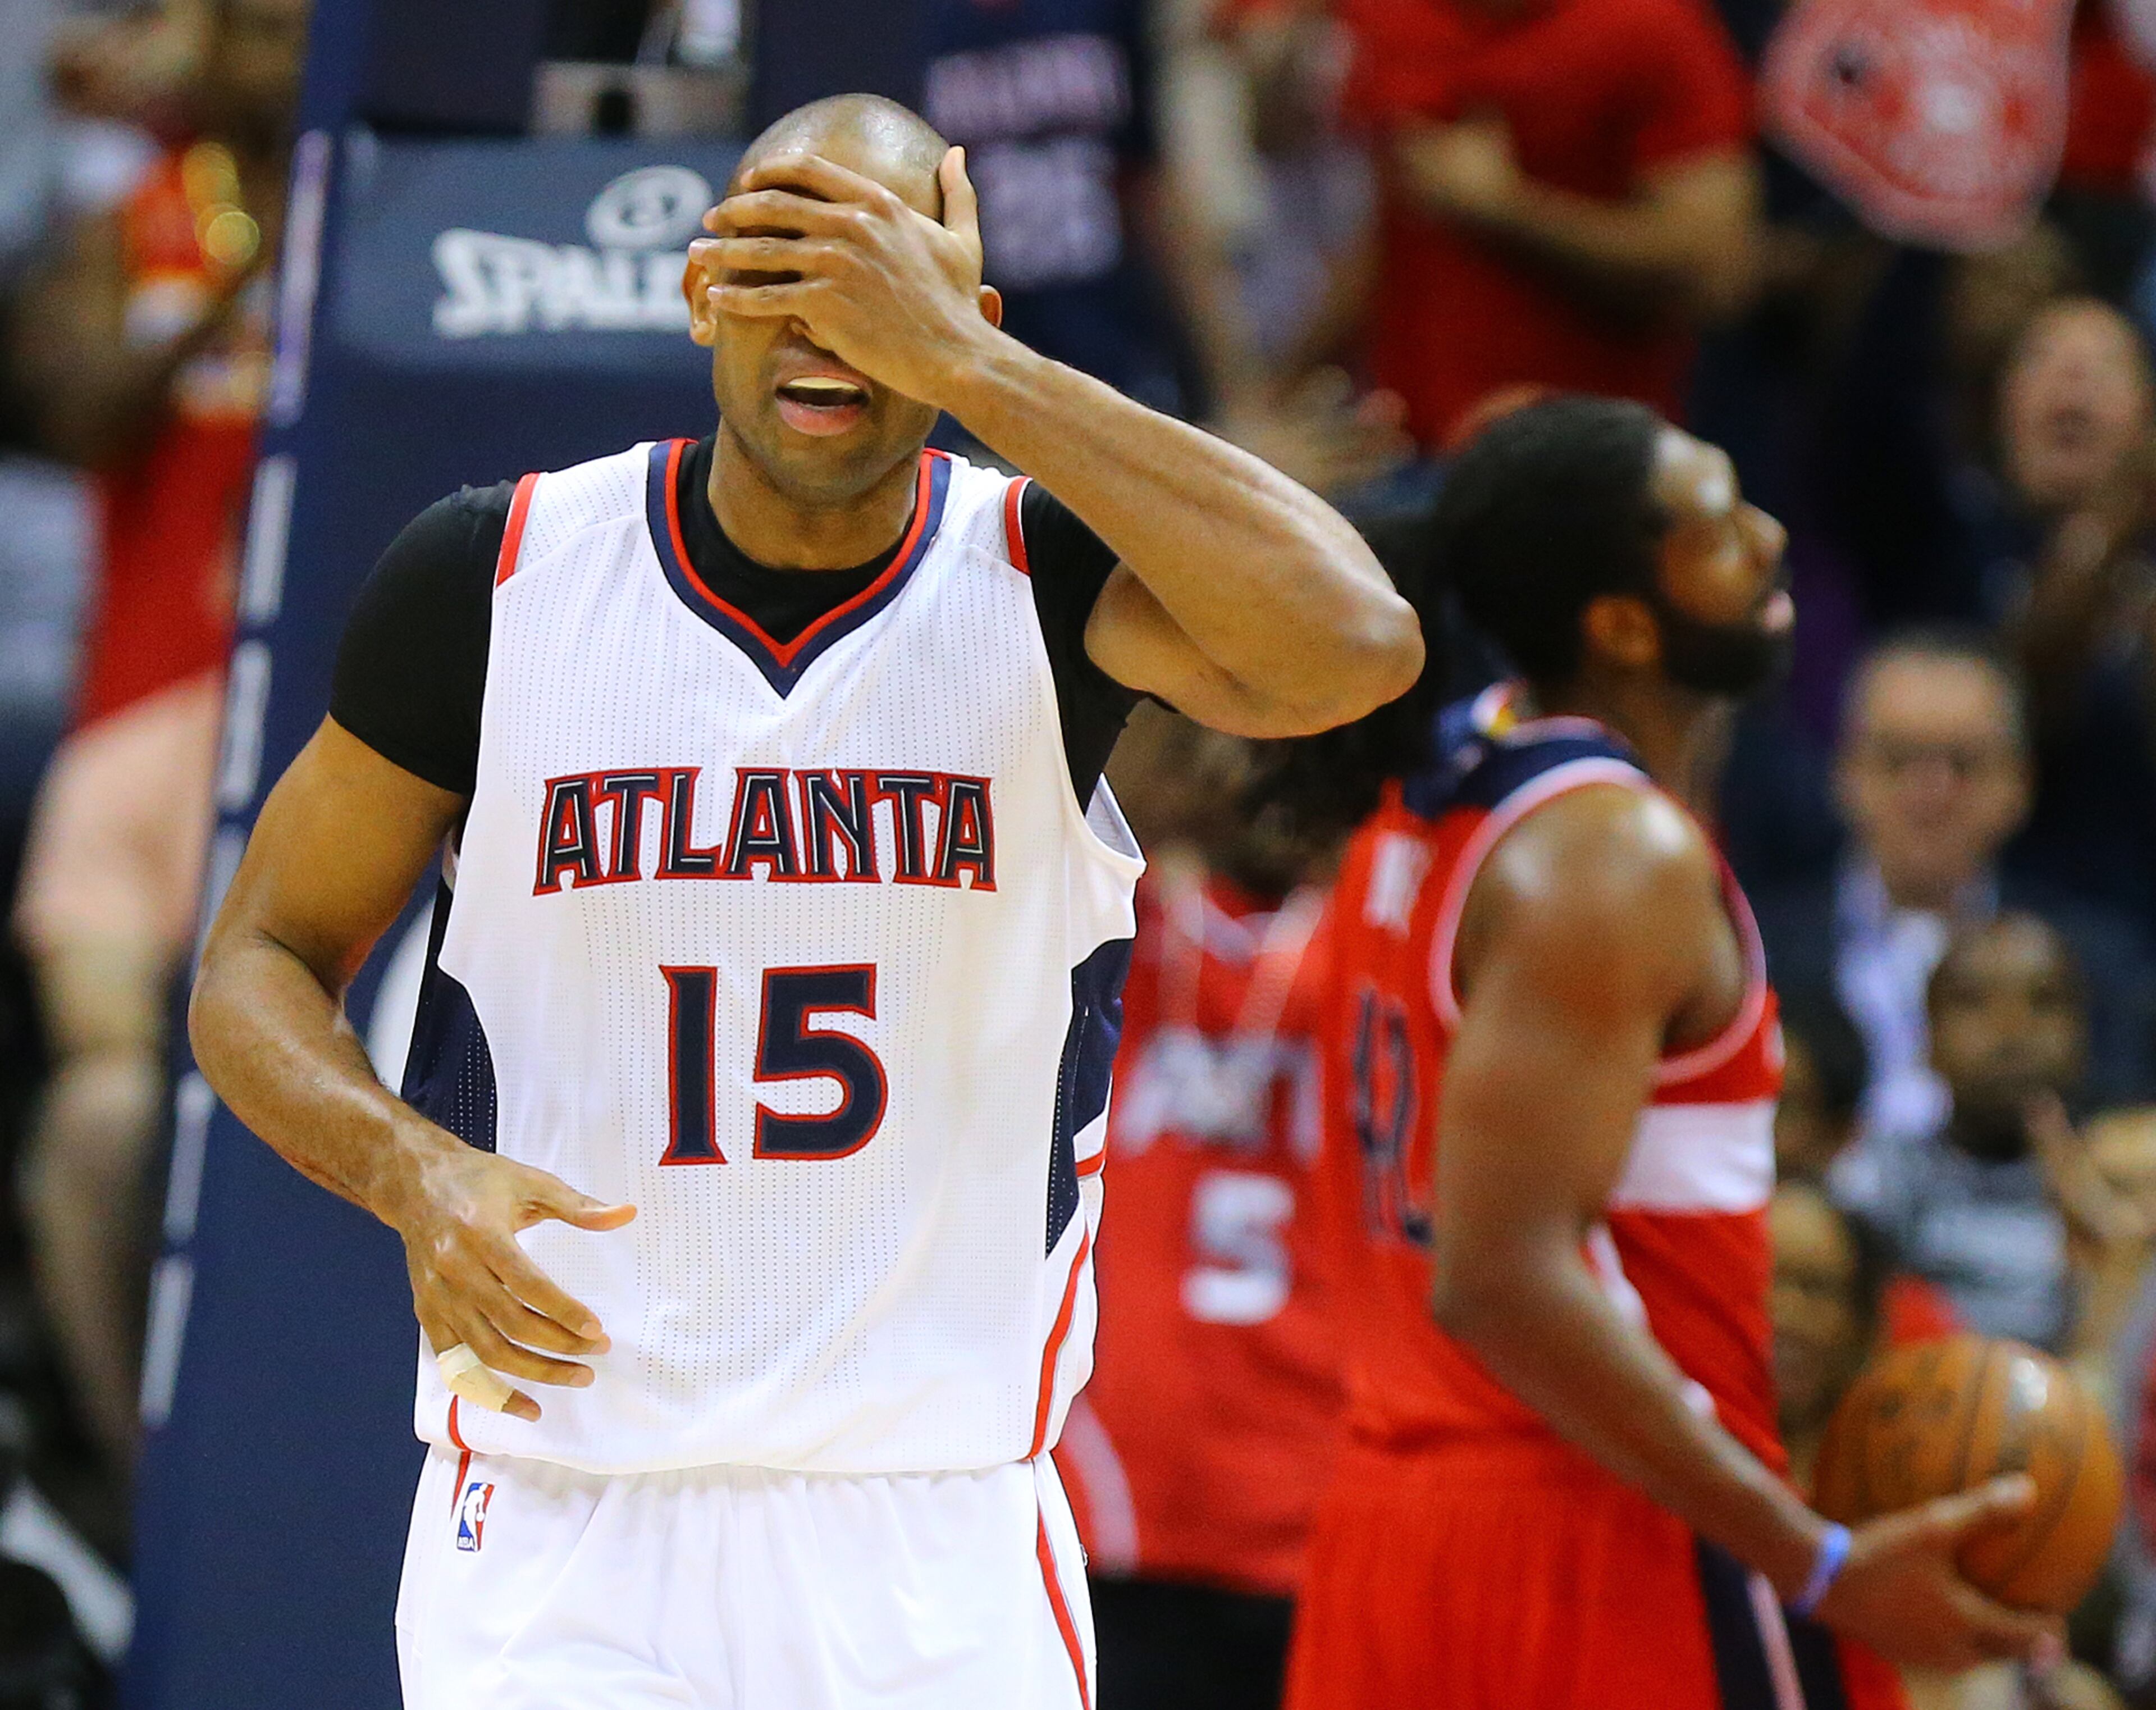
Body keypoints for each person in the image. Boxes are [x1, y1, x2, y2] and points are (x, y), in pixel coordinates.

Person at [188, 93, 1420, 1710]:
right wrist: (415, 1174)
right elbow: (256, 961)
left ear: (953, 309)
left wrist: (985, 372)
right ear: (701, 289)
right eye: (784, 267)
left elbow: (1358, 645)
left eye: (880, 279)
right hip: (571, 1518)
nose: (828, 327)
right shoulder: (491, 577)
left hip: (932, 1525)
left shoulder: (1047, 577)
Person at [1281, 395, 2053, 1710]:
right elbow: (1503, 1276)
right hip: (1588, 1521)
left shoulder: (1424, 804)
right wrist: (1807, 1557)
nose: (1763, 537)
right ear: (1622, 624)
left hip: (1391, 1527)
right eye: (1711, 527)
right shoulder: (1609, 853)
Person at [4, 0, 305, 1476]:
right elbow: (64, 410)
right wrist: (238, 271)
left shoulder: (433, 237)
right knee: (108, 1100)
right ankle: (142, 1486)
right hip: (138, 738)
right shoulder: (146, 220)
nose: (275, 59)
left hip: (329, 752)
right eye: (245, 29)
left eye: (301, 30)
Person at [1060, 709, 1343, 1710]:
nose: (1260, 771)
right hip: (1126, 1491)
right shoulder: (1116, 918)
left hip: (1323, 1500)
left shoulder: (1380, 938)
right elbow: (1082, 784)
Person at [1750, 631, 2154, 1147]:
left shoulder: (2102, 966)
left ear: (2020, 782)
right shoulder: (1755, 953)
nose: (1930, 794)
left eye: (1963, 765)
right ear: (1844, 772)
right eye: (1899, 760)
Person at [1327, 0, 1760, 450]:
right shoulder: (1385, 16)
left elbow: (1716, 272)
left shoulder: (1651, 24)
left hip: (1578, 462)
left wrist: (1505, 206)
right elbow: (1377, 238)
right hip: (1400, 444)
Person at [1836, 916, 2152, 1367]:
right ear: (1926, 1040)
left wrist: (2112, 1260)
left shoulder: (2123, 1183)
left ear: (2083, 1036)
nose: (2012, 1030)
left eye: (2043, 1002)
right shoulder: (1874, 1180)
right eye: (1974, 1002)